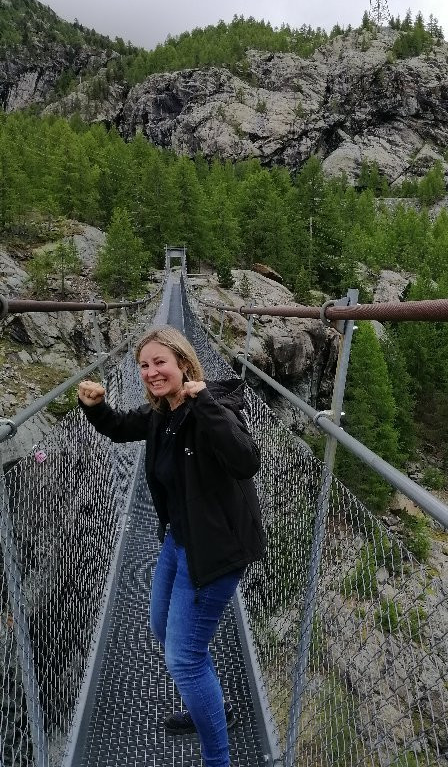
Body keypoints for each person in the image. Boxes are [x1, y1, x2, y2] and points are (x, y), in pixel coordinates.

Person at [78, 325, 265, 767]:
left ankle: (217, 759)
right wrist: (97, 407)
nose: (150, 372)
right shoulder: (162, 412)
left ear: (184, 363)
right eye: (143, 365)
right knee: (164, 630)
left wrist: (206, 404)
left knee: (183, 658)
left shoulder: (213, 408)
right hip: (179, 542)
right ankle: (214, 707)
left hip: (214, 553)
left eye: (159, 362)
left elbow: (246, 460)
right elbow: (123, 428)